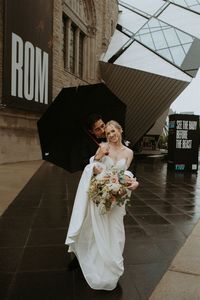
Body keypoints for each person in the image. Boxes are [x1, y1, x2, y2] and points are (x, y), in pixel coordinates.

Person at [65, 120, 139, 290]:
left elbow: (126, 174)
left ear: (120, 130)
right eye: (108, 133)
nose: (111, 135)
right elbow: (94, 167)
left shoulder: (129, 152)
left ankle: (113, 267)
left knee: (116, 232)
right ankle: (99, 266)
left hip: (117, 198)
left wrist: (133, 183)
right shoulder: (103, 147)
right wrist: (97, 159)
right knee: (98, 231)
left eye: (114, 131)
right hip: (101, 196)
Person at [81, 113, 137, 189]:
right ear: (91, 131)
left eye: (102, 125)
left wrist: (132, 179)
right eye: (97, 129)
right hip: (99, 185)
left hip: (119, 185)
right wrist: (97, 157)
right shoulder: (87, 145)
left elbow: (129, 164)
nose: (103, 130)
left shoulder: (117, 138)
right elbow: (84, 163)